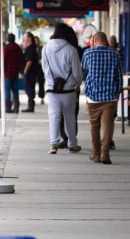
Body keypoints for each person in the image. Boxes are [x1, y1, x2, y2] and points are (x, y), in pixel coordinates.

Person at [81, 31, 123, 164]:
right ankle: (105, 154)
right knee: (108, 126)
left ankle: (96, 153)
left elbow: (84, 72)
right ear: (106, 41)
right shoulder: (115, 54)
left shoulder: (88, 53)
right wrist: (118, 93)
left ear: (94, 40)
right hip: (110, 96)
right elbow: (119, 77)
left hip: (93, 96)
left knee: (94, 125)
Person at [41, 22, 83, 154]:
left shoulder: (45, 49)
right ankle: (72, 144)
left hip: (52, 89)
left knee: (54, 116)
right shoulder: (71, 50)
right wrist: (77, 83)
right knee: (69, 116)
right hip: (69, 89)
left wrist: (50, 82)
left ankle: (53, 144)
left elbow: (45, 69)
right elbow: (77, 72)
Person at [2, 33, 24, 113]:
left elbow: (4, 60)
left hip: (7, 73)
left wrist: (2, 71)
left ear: (8, 39)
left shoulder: (6, 49)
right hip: (15, 73)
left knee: (7, 90)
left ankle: (8, 107)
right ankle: (16, 107)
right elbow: (21, 59)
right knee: (15, 90)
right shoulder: (18, 48)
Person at [21, 32, 40, 112]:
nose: (24, 39)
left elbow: (30, 61)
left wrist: (25, 70)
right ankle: (30, 105)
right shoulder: (29, 47)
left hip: (30, 72)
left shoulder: (31, 48)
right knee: (28, 88)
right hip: (30, 72)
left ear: (29, 38)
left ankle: (31, 106)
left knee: (29, 88)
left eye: (25, 37)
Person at [33, 35, 46, 104]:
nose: (36, 42)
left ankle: (42, 97)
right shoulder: (31, 48)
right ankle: (32, 97)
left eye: (36, 40)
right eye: (34, 40)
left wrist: (41, 60)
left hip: (40, 67)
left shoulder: (42, 48)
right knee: (32, 83)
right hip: (33, 68)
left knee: (41, 83)